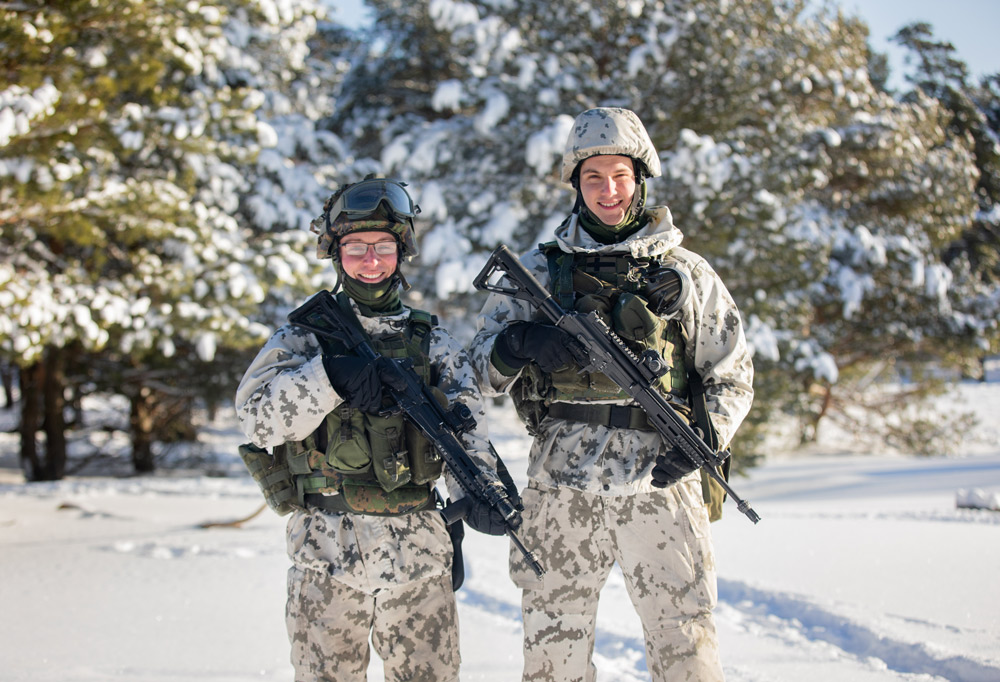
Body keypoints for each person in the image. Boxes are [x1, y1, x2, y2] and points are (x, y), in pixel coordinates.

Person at [468, 107, 754, 682]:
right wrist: (519, 342)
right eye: (593, 177)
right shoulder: (536, 272)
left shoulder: (687, 273)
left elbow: (732, 373)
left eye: (619, 175)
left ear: (640, 179)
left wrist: (705, 435)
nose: (608, 190)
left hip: (662, 482)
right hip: (561, 482)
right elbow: (475, 372)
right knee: (553, 644)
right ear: (576, 183)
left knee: (685, 640)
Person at [235, 177, 509, 682]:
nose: (371, 260)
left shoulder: (435, 342)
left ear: (401, 251)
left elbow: (467, 434)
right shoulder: (303, 337)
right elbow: (256, 419)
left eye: (383, 246)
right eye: (356, 247)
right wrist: (327, 378)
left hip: (419, 556)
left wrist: (481, 493)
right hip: (325, 553)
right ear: (335, 253)